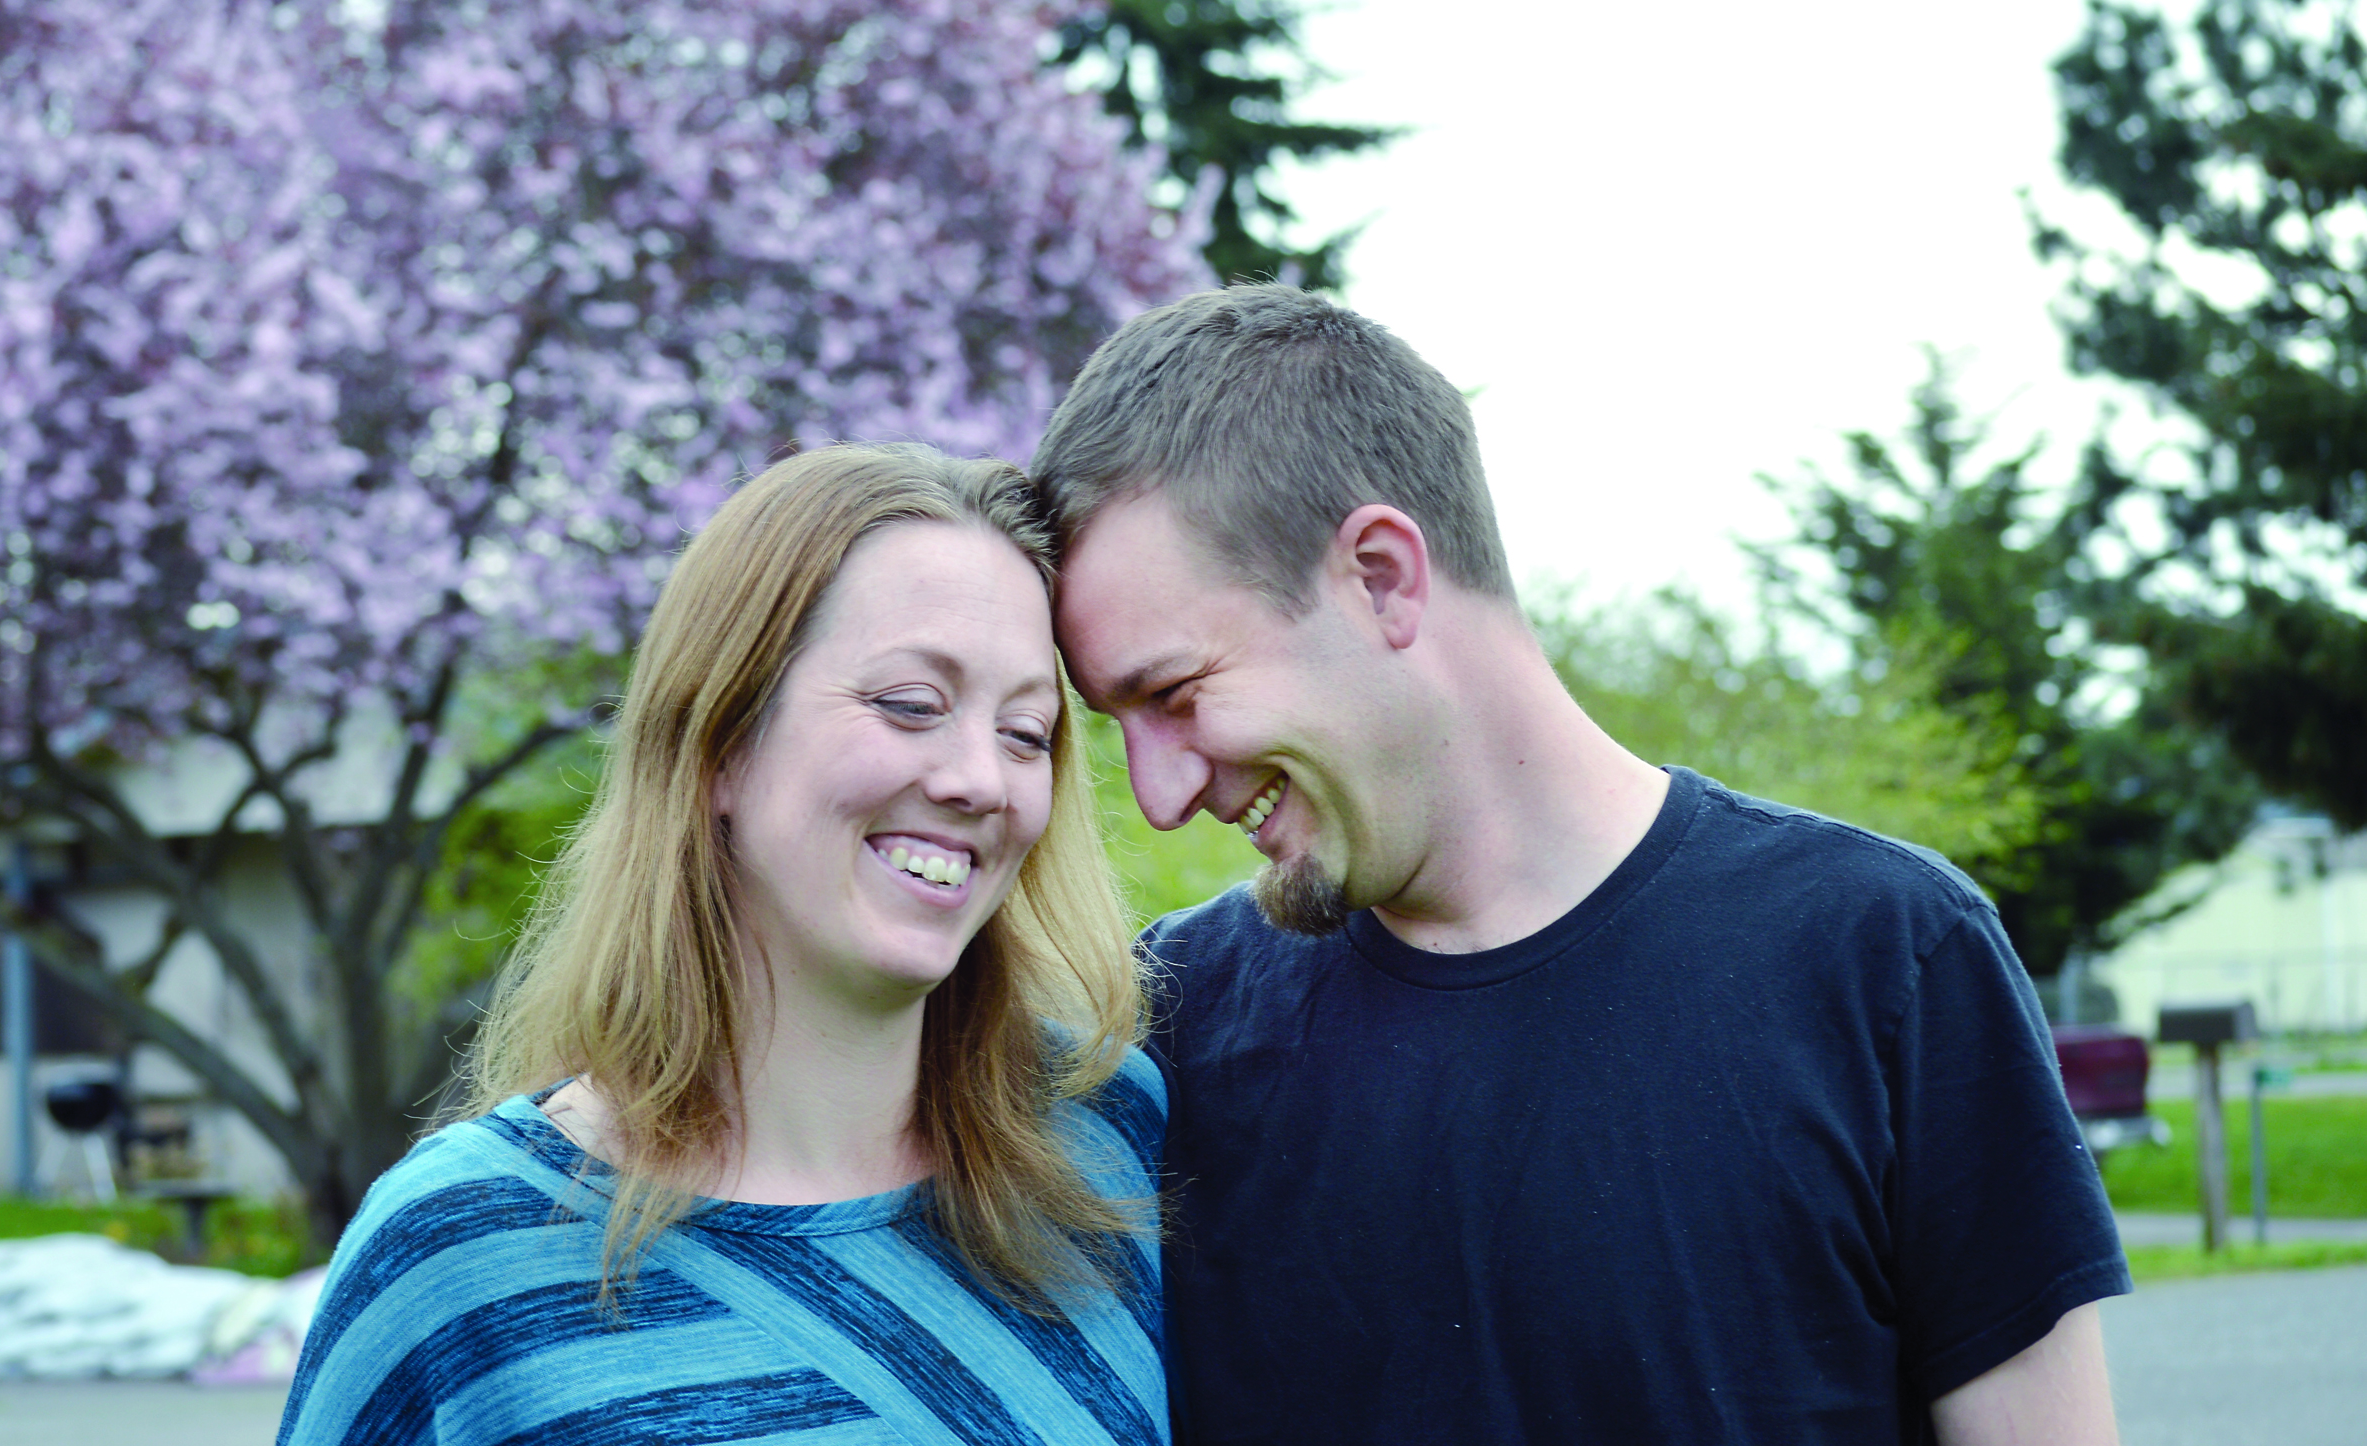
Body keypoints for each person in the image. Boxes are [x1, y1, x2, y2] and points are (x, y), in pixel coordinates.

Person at [1030, 285, 2129, 1446]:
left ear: (1382, 577)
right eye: (1117, 725)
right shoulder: (1164, 1030)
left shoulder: (1886, 959)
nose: (1156, 798)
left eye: (1174, 693)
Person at [278, 444, 1168, 1446]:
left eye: (1024, 733)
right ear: (721, 748)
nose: (981, 780)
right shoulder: (458, 1250)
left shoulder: (1110, 1143)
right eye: (910, 704)